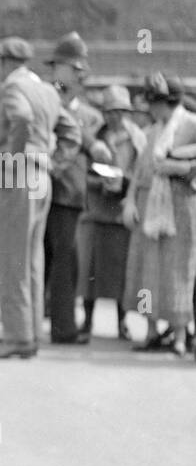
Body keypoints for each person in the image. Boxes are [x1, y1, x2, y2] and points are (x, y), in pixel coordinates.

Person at [0, 37, 74, 359]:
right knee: (32, 260)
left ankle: (17, 338)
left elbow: (20, 119)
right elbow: (71, 131)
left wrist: (10, 159)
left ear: (7, 61)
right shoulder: (48, 90)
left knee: (11, 260)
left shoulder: (13, 87)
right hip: (41, 177)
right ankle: (30, 333)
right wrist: (55, 163)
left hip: (17, 178)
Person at [122, 73, 196, 356]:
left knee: (179, 271)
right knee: (147, 271)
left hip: (183, 209)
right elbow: (140, 171)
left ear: (167, 102)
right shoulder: (152, 132)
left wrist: (179, 167)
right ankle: (151, 330)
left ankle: (179, 335)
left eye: (155, 103)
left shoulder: (191, 124)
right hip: (149, 206)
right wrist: (129, 202)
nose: (151, 109)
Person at [44, 33, 102, 344]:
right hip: (56, 191)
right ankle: (62, 328)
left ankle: (57, 323)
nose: (78, 75)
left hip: (69, 194)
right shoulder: (50, 100)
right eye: (71, 68)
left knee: (63, 260)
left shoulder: (89, 112)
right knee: (60, 260)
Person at [80, 85, 143, 341]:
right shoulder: (94, 137)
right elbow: (83, 172)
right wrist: (99, 183)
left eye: (119, 111)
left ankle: (121, 321)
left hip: (120, 213)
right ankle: (87, 320)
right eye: (109, 111)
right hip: (96, 209)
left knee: (119, 273)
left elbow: (141, 174)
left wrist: (124, 183)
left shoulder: (137, 138)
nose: (114, 117)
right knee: (89, 270)